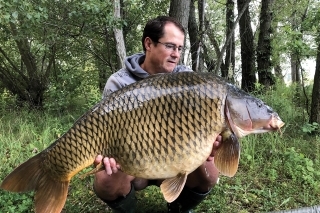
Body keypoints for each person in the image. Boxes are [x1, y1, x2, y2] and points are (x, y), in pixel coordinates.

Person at [93, 16, 221, 213]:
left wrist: (208, 144)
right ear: (148, 44)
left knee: (210, 173)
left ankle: (178, 207)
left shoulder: (187, 80)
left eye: (179, 48)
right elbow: (103, 133)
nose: (176, 54)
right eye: (170, 46)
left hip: (177, 159)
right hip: (133, 164)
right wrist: (106, 155)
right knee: (106, 180)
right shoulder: (119, 82)